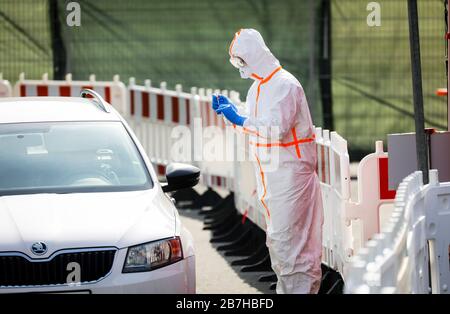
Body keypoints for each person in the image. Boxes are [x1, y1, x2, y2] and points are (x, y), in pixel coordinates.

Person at [212, 29, 324, 294]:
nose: (240, 67)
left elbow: (276, 128)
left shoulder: (285, 85)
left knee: (296, 247)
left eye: (242, 60)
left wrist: (240, 118)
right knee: (280, 244)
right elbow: (254, 126)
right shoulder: (258, 88)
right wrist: (234, 114)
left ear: (253, 56)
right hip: (273, 180)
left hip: (292, 177)